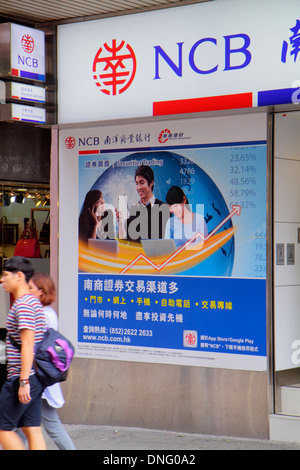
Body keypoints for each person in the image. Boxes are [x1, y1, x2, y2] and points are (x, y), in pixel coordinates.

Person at [0, 256, 46, 450]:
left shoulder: (24, 305)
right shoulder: (33, 302)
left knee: (2, 429)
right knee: (31, 429)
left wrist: (23, 382)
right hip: (33, 377)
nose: (2, 280)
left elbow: (27, 345)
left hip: (22, 377)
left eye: (5, 275)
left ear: (19, 276)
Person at [28, 273, 76, 450]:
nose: (27, 291)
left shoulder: (43, 315)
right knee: (21, 426)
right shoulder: (47, 313)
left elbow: (35, 348)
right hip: (39, 379)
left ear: (41, 292)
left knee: (51, 426)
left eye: (31, 288)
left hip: (38, 379)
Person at [116, 164, 170, 242]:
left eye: (141, 183)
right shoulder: (133, 209)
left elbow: (164, 241)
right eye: (137, 183)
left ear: (151, 183)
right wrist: (120, 223)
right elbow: (124, 241)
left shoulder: (163, 208)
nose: (138, 187)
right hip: (135, 253)